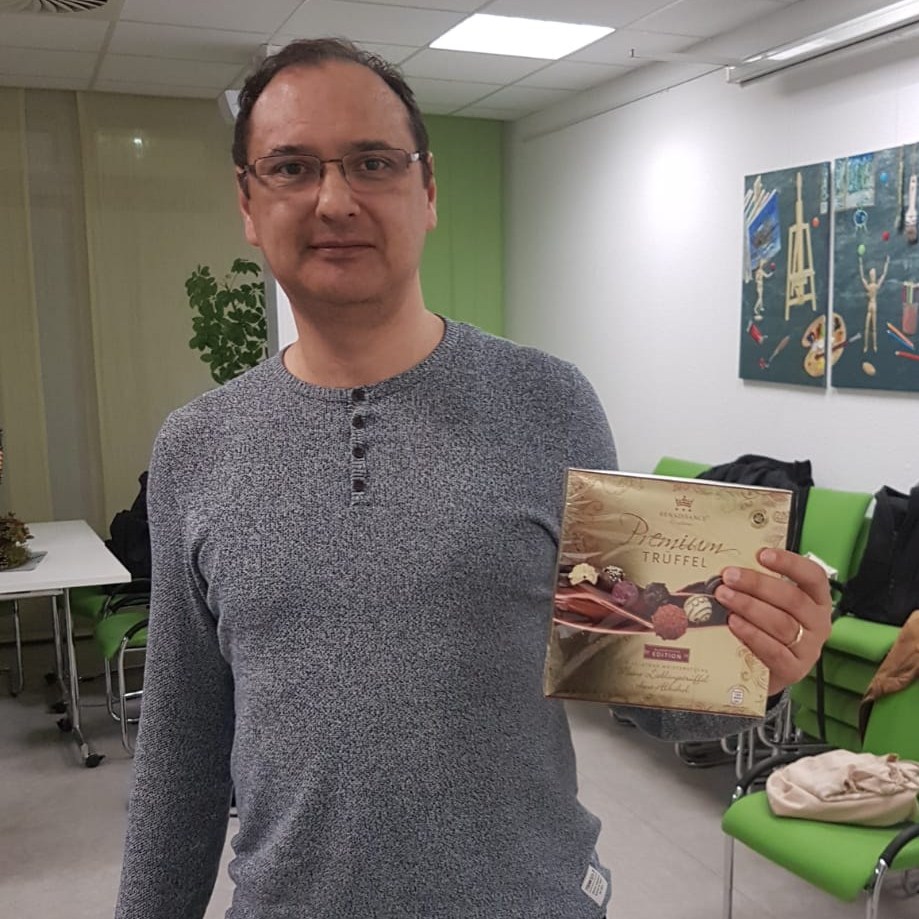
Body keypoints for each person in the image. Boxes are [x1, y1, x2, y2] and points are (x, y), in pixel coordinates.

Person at [114, 38, 832, 919]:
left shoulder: (548, 402)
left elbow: (646, 690)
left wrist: (759, 661)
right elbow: (180, 752)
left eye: (373, 162)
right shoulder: (196, 447)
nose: (334, 199)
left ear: (426, 191)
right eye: (292, 167)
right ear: (248, 204)